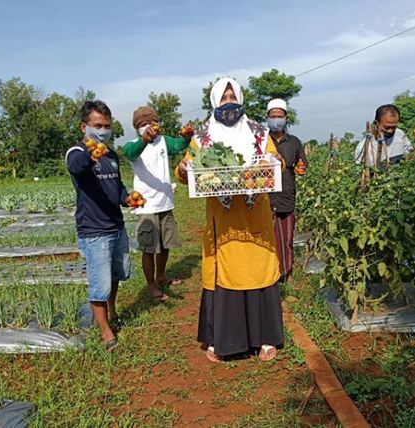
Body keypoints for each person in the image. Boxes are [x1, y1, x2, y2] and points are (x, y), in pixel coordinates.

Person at [176, 77, 284, 363]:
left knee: (258, 269)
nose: (229, 104)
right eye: (223, 99)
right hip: (222, 220)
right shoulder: (202, 138)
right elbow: (186, 170)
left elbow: (276, 163)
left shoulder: (259, 133)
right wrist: (184, 167)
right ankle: (220, 338)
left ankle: (265, 338)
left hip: (254, 216)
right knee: (223, 270)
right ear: (214, 102)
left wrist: (265, 165)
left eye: (232, 97)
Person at [65, 100, 137, 351]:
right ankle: (106, 332)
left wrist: (128, 199)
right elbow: (77, 166)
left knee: (117, 273)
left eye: (107, 125)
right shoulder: (75, 152)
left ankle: (112, 309)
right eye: (98, 125)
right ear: (84, 126)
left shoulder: (112, 154)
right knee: (100, 284)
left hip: (116, 225)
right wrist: (90, 152)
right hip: (94, 231)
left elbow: (117, 188)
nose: (103, 130)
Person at [123, 106, 194, 303]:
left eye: (150, 122)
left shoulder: (164, 141)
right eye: (142, 124)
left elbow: (179, 145)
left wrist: (187, 136)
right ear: (137, 128)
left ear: (157, 123)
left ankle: (161, 276)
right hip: (146, 205)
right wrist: (145, 139)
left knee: (165, 244)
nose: (147, 126)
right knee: (149, 248)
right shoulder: (133, 144)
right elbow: (130, 153)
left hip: (165, 202)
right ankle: (151, 285)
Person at [266, 98, 307, 284]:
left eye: (279, 116)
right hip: (264, 198)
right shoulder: (261, 142)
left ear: (286, 118)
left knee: (287, 238)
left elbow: (302, 164)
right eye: (272, 116)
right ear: (267, 118)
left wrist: (301, 167)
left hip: (286, 194)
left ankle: (287, 273)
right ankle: (270, 274)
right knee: (267, 238)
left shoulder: (294, 142)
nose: (276, 120)